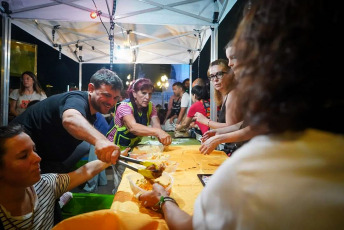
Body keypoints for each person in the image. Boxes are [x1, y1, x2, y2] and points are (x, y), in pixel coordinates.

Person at [139, 0, 344, 229]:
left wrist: (163, 198)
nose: (231, 68)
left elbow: (188, 226)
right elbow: (242, 125)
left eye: (236, 59)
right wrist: (218, 133)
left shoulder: (248, 174)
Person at [0, 124, 129, 229]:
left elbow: (85, 171)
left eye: (34, 150)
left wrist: (114, 157)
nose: (38, 158)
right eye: (23, 156)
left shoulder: (46, 185)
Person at [10, 68, 123, 173]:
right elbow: (70, 119)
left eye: (115, 98)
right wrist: (101, 140)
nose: (111, 102)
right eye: (107, 95)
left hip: (45, 159)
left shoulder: (92, 112)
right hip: (15, 153)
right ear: (91, 89)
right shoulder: (77, 99)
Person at [107, 78, 171, 193]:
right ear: (134, 93)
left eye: (150, 94)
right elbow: (133, 127)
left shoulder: (151, 107)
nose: (147, 97)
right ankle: (118, 203)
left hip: (134, 149)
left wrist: (162, 136)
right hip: (118, 149)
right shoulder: (124, 107)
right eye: (143, 93)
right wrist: (157, 132)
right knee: (122, 182)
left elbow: (156, 126)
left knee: (136, 178)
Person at [194, 59, 239, 129]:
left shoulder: (232, 94)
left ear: (230, 74)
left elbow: (231, 127)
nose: (215, 79)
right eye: (212, 76)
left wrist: (205, 121)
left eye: (219, 74)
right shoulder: (224, 95)